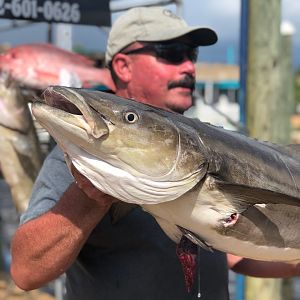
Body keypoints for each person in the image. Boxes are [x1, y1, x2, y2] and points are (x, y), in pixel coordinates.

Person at [10, 6, 300, 300]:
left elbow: (235, 253)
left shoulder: (208, 144)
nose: (188, 66)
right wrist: (89, 197)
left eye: (192, 55)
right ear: (123, 66)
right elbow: (26, 271)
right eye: (172, 53)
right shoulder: (78, 156)